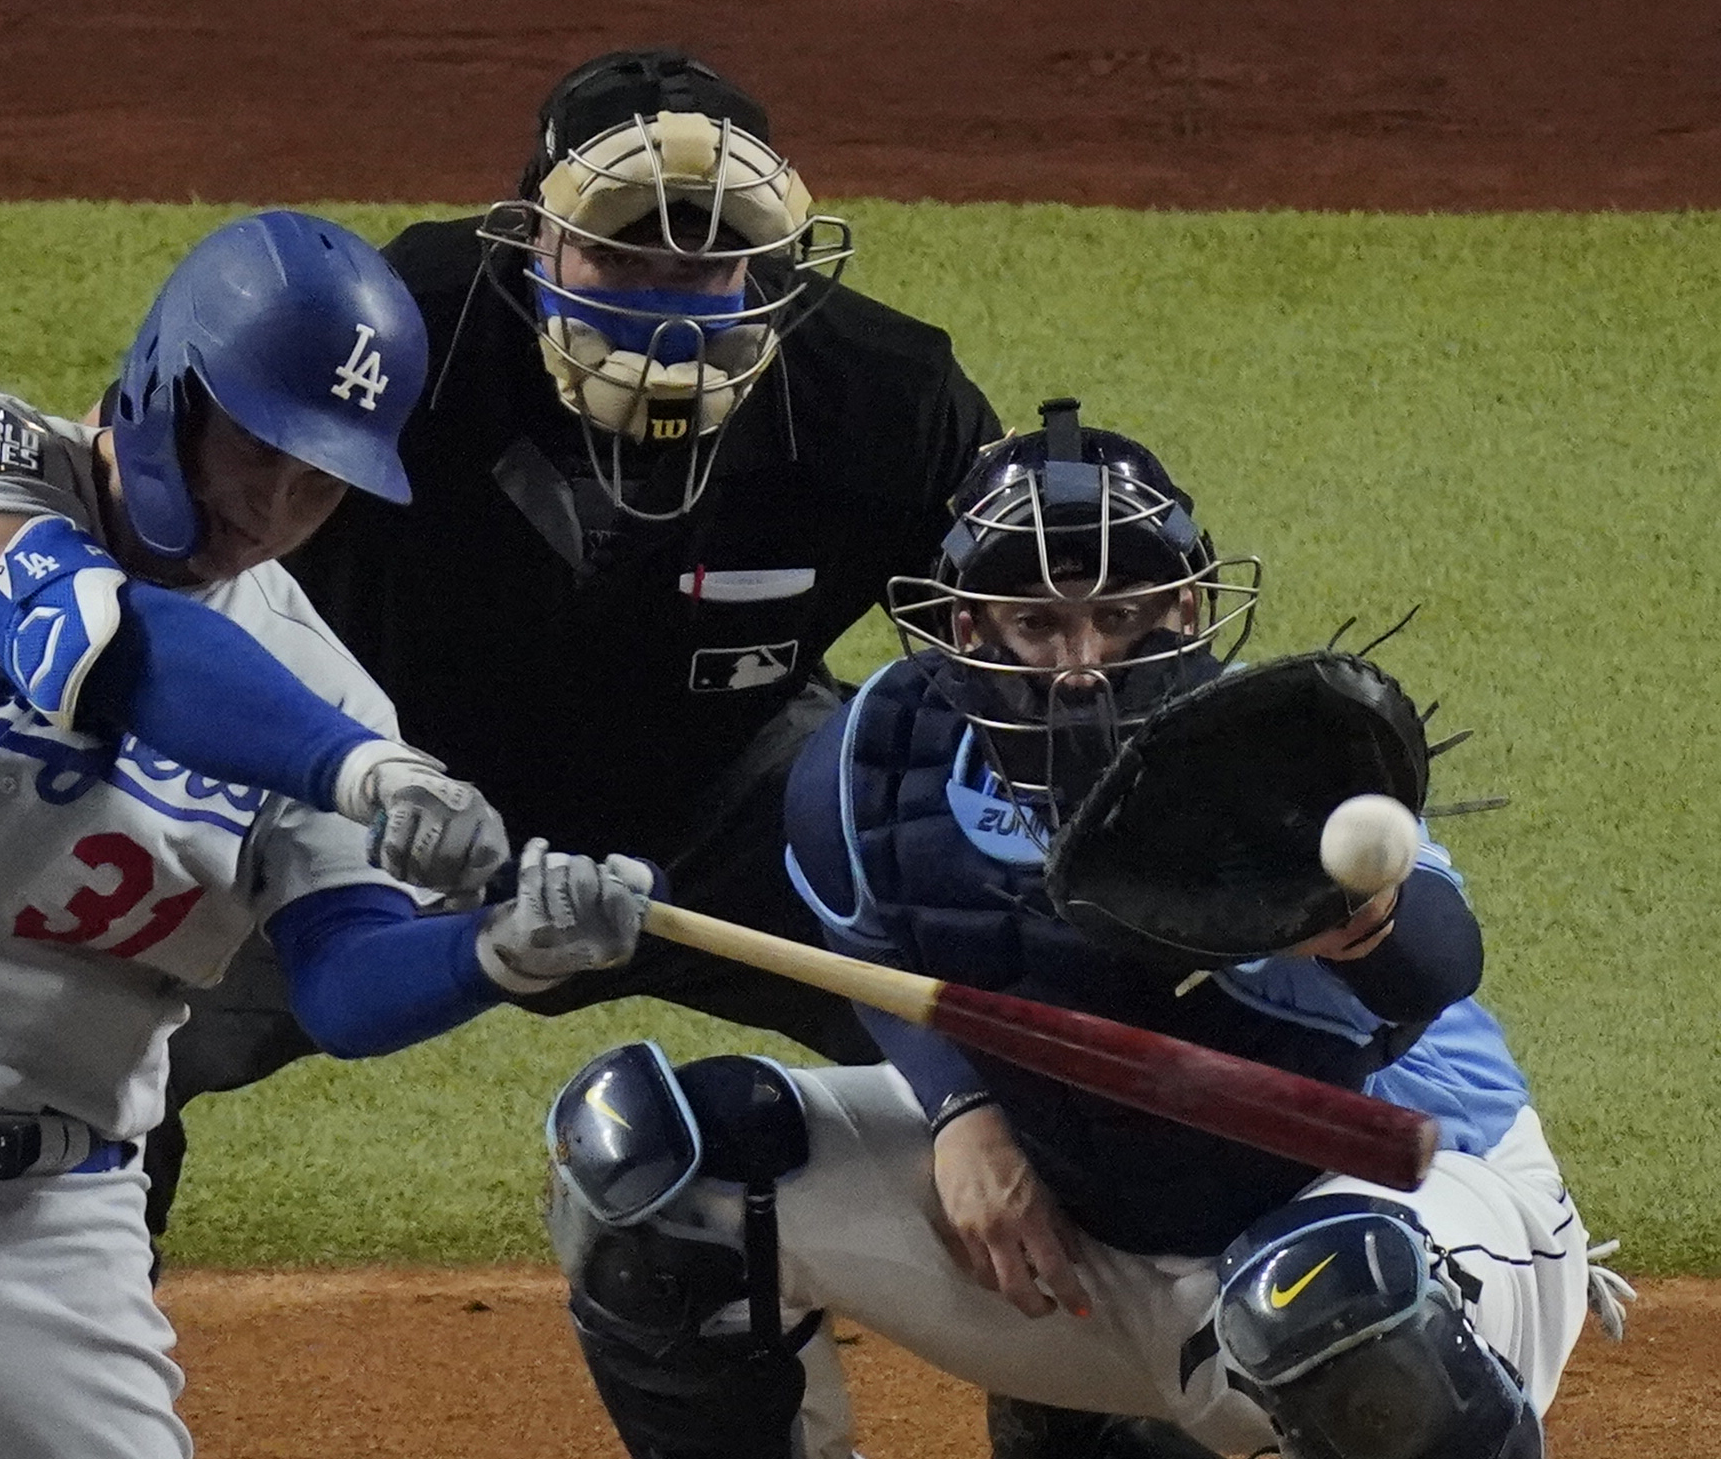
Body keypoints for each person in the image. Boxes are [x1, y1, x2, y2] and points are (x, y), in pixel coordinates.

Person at [0, 209, 656, 1459]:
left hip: (45, 1237)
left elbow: (344, 983)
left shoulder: (318, 688)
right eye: (254, 445)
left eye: (319, 480)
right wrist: (360, 771)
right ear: (172, 382)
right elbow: (106, 638)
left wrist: (497, 953)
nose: (271, 506)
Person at [540, 401, 1607, 1459]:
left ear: (1188, 613)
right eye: (1038, 623)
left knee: (1337, 1308)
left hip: (1402, 1227)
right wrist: (960, 1112)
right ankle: (1103, 1413)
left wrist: (1364, 922)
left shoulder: (1287, 774)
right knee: (652, 1165)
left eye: (1124, 614)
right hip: (1087, 1234)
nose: (1084, 661)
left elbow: (1436, 960)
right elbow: (870, 955)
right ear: (966, 627)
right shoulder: (876, 769)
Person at [141, 41, 1000, 1246]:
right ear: (531, 240)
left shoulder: (884, 395)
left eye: (713, 264)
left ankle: (1100, 1409)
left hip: (724, 798)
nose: (667, 301)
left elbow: (1016, 650)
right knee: (95, 1029)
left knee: (1006, 1006)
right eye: (620, 253)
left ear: (777, 266)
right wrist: (327, 763)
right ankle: (50, 1349)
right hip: (377, 801)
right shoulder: (396, 330)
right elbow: (163, 552)